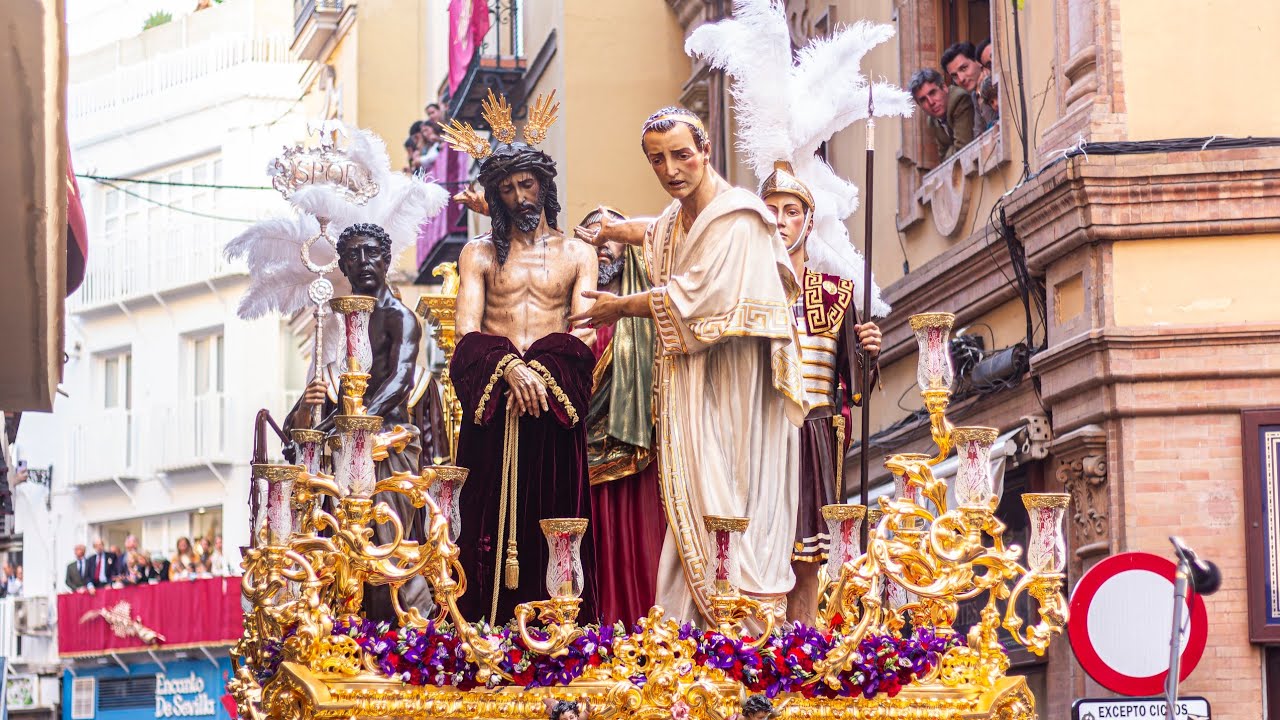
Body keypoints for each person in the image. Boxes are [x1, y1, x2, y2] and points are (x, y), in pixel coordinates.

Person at [570, 107, 805, 625]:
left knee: (729, 489)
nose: (671, 169)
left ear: (705, 152)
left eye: (681, 155)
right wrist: (608, 230)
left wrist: (620, 306)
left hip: (736, 384)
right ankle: (690, 624)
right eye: (657, 160)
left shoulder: (739, 216)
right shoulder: (678, 220)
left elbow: (694, 299)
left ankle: (744, 620)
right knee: (690, 502)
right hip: (692, 378)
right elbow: (653, 231)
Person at [444, 93, 600, 624]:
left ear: (544, 187)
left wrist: (540, 374)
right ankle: (483, 634)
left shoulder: (579, 254)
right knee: (482, 525)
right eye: (507, 188)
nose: (518, 196)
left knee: (558, 526)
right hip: (494, 408)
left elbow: (581, 337)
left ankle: (562, 635)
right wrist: (508, 368)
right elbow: (466, 334)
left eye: (526, 184)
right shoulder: (479, 255)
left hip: (552, 413)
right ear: (495, 195)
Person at [285, 222, 432, 623]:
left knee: (390, 542)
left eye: (371, 253)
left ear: (386, 259)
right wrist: (308, 410)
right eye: (353, 256)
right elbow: (316, 405)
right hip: (345, 453)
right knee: (342, 546)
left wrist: (356, 427)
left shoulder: (400, 318)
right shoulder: (337, 324)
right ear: (343, 268)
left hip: (390, 448)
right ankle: (349, 624)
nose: (363, 262)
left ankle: (405, 629)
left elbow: (400, 381)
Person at [761, 164, 881, 622]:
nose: (779, 220)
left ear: (808, 223)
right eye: (770, 210)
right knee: (756, 551)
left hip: (813, 435)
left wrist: (868, 351)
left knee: (807, 558)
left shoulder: (835, 294)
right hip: (760, 432)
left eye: (790, 211)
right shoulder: (744, 293)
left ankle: (804, 641)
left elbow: (854, 387)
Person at [573, 207, 664, 625]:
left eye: (611, 236)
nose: (603, 245)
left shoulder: (648, 309)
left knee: (639, 545)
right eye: (594, 236)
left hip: (638, 445)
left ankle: (646, 628)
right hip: (579, 454)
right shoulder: (567, 306)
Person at [909, 69, 974, 161]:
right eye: (923, 100)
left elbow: (963, 147)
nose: (931, 102)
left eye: (932, 93)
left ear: (944, 87)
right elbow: (943, 158)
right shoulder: (932, 120)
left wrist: (951, 148)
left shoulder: (959, 99)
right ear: (919, 105)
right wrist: (952, 148)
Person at [941, 42, 997, 133]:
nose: (961, 79)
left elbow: (995, 129)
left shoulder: (994, 83)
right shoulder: (975, 94)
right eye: (955, 76)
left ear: (978, 62)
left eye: (964, 68)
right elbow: (978, 135)